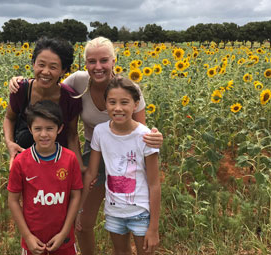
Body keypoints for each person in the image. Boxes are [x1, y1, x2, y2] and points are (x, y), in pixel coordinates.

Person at [9, 36, 163, 255]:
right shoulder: (78, 81)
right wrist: (19, 81)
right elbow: (48, 79)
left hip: (126, 155)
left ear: (113, 61)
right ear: (85, 64)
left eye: (104, 61)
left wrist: (154, 136)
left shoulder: (128, 89)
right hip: (95, 152)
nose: (97, 67)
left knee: (133, 212)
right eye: (92, 61)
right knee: (82, 222)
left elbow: (139, 132)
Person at [76, 76, 161, 255]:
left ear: (135, 104)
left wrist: (153, 228)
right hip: (114, 211)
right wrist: (80, 209)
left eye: (124, 102)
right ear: (106, 104)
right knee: (120, 251)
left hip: (141, 212)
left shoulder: (145, 136)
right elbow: (91, 173)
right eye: (112, 102)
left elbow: (154, 184)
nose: (118, 108)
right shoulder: (100, 132)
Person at [7, 100, 83, 255]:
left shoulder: (70, 158)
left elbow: (75, 196)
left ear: (59, 129)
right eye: (38, 129)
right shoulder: (21, 161)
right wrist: (27, 236)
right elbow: (13, 200)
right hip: (33, 240)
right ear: (30, 129)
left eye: (49, 128)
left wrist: (65, 232)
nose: (43, 134)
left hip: (64, 239)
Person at [3, 36, 82, 169]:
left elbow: (72, 135)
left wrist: (78, 168)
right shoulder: (21, 89)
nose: (45, 72)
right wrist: (10, 143)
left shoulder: (70, 98)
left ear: (63, 70)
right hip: (25, 161)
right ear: (33, 64)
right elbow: (9, 118)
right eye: (41, 64)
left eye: (53, 67)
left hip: (58, 164)